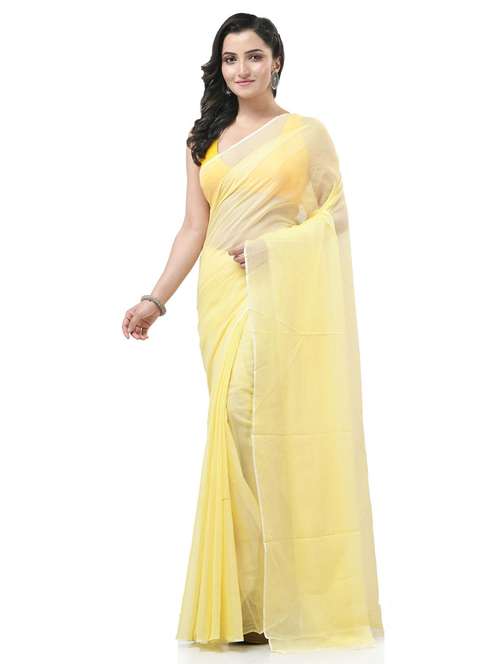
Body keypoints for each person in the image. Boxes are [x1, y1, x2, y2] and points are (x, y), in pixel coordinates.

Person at [121, 12, 384, 655]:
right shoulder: (202, 139)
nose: (242, 69)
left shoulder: (305, 135)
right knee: (235, 430)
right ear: (221, 67)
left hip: (278, 295)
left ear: (277, 62)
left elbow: (335, 217)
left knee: (257, 426)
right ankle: (244, 607)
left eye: (255, 56)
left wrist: (272, 249)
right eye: (231, 58)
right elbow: (194, 227)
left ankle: (276, 600)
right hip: (221, 297)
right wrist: (156, 298)